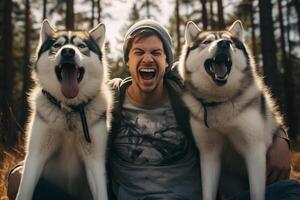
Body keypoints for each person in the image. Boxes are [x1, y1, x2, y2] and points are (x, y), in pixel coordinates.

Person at [7, 19, 300, 200]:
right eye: (139, 52)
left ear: (167, 61)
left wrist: (279, 137)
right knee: (17, 183)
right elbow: (59, 119)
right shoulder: (107, 100)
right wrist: (24, 168)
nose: (148, 59)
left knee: (291, 192)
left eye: (156, 53)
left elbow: (245, 96)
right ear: (128, 61)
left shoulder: (189, 94)